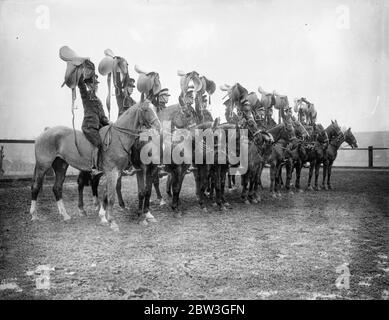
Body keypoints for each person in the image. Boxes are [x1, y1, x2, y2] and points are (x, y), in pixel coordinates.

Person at [78, 73, 111, 176]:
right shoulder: (86, 95)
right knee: (98, 143)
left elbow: (102, 117)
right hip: (89, 127)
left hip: (98, 127)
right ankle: (94, 168)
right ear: (88, 85)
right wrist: (80, 71)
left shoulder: (98, 100)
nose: (95, 86)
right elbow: (81, 85)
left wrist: (109, 122)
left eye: (96, 84)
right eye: (93, 84)